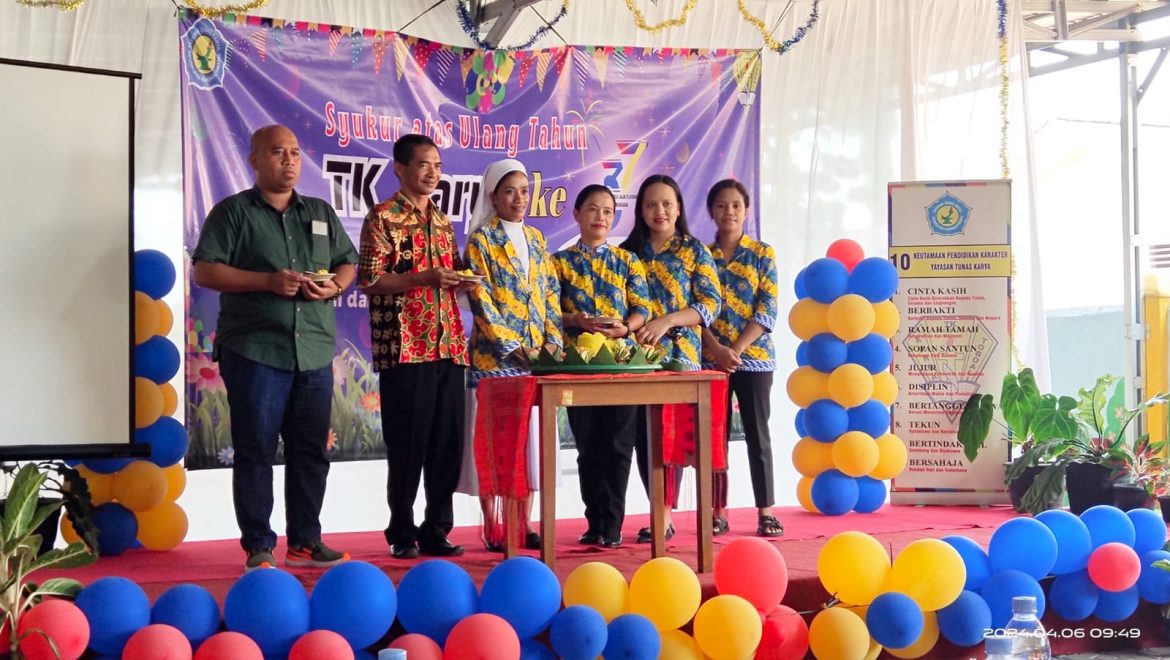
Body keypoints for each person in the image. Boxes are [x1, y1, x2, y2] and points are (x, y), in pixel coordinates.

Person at [192, 124, 356, 572]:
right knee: (256, 449)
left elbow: (347, 261)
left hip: (313, 350)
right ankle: (258, 546)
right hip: (256, 350)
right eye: (278, 152)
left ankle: (305, 540)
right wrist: (267, 281)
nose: (289, 161)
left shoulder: (319, 212)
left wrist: (335, 287)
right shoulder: (233, 213)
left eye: (295, 153)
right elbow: (205, 271)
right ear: (254, 160)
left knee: (311, 451)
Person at [358, 133, 470, 559]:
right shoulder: (382, 217)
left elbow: (450, 274)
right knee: (407, 446)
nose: (432, 173)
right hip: (406, 347)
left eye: (438, 166)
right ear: (400, 168)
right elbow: (370, 279)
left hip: (449, 345)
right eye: (424, 164)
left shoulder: (441, 220)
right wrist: (423, 278)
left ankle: (436, 529)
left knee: (446, 445)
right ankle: (402, 531)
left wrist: (461, 281)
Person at [459, 158, 563, 552]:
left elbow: (550, 294)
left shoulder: (536, 238)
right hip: (495, 361)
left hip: (535, 361)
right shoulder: (481, 241)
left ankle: (524, 523)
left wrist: (551, 343)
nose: (519, 198)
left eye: (524, 191)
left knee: (529, 447)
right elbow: (480, 299)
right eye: (509, 191)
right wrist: (511, 346)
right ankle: (493, 524)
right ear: (493, 197)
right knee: (495, 444)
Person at [619, 174, 722, 544]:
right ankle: (657, 511)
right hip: (637, 360)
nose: (659, 211)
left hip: (680, 358)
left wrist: (667, 321)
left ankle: (667, 516)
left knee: (672, 439)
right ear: (640, 210)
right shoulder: (627, 253)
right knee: (644, 441)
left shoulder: (694, 251)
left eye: (666, 204)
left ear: (679, 208)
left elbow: (710, 304)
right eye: (651, 204)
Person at [552, 184, 650, 548]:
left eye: (608, 211)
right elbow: (548, 312)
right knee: (588, 446)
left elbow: (642, 308)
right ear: (577, 214)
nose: (601, 217)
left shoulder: (627, 261)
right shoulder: (559, 263)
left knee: (619, 445)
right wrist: (576, 320)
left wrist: (627, 327)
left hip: (621, 364)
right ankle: (594, 522)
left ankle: (612, 525)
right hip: (579, 365)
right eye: (593, 209)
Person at [700, 179, 783, 537]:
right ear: (711, 211)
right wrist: (717, 349)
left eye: (736, 205)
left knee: (757, 435)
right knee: (714, 439)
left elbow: (768, 308)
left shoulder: (762, 253)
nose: (729, 212)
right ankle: (717, 512)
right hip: (710, 359)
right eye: (721, 205)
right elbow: (695, 309)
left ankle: (766, 512)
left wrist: (737, 349)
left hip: (755, 359)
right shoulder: (702, 256)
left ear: (746, 211)